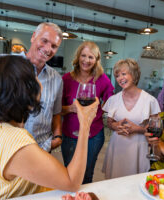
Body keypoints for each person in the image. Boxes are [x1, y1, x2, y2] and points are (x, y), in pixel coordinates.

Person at [0, 55, 99, 199]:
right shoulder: (13, 140)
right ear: (21, 91)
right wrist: (85, 123)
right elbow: (71, 182)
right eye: (32, 75)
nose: (38, 79)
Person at [0, 22, 63, 152]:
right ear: (33, 36)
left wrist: (57, 137)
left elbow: (56, 112)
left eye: (54, 46)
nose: (48, 49)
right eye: (44, 41)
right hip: (1, 150)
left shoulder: (57, 79)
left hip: (40, 148)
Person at [60, 41, 114, 184]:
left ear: (96, 60)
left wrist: (99, 110)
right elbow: (57, 109)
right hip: (70, 135)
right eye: (83, 56)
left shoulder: (103, 79)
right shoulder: (66, 79)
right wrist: (72, 108)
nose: (86, 60)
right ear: (78, 57)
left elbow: (111, 101)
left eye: (91, 57)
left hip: (93, 135)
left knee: (87, 174)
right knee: (69, 174)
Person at [102, 59, 160, 179]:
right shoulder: (113, 99)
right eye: (117, 75)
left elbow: (156, 130)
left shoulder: (149, 100)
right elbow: (109, 122)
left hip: (138, 148)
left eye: (124, 74)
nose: (120, 78)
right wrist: (115, 126)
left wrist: (138, 129)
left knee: (135, 184)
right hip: (117, 147)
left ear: (134, 75)